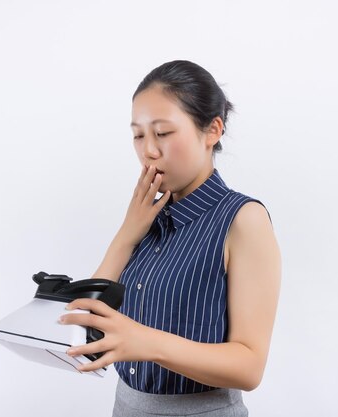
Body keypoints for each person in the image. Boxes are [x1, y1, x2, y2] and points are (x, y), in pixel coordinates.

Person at [58, 59, 281, 417]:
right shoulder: (146, 219)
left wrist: (146, 342)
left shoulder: (243, 220)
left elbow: (250, 367)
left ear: (212, 130)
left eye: (162, 133)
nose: (148, 150)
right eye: (138, 134)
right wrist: (126, 235)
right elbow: (84, 320)